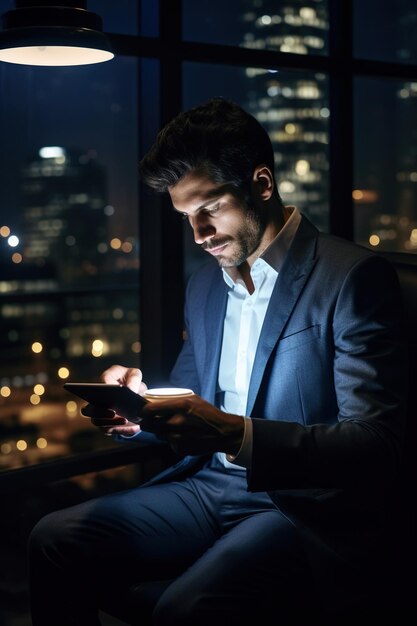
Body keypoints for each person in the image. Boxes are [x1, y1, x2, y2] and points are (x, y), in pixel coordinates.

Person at [28, 98, 407, 626]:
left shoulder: (351, 278)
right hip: (209, 487)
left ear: (263, 183)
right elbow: (188, 398)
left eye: (211, 207)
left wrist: (236, 435)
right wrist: (137, 409)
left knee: (185, 610)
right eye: (186, 216)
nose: (199, 233)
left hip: (297, 505)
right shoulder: (205, 284)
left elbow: (378, 443)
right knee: (52, 538)